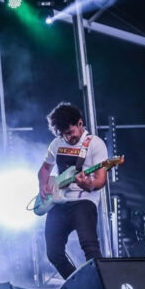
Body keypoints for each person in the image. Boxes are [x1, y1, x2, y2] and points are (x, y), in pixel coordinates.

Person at [38, 102, 108, 279]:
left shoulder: (95, 144)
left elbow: (99, 181)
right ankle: (77, 283)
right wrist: (43, 185)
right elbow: (44, 170)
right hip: (59, 202)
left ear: (80, 123)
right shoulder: (56, 144)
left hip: (84, 200)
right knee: (53, 252)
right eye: (63, 135)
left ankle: (101, 285)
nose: (68, 138)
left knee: (90, 247)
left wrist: (86, 184)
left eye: (70, 132)